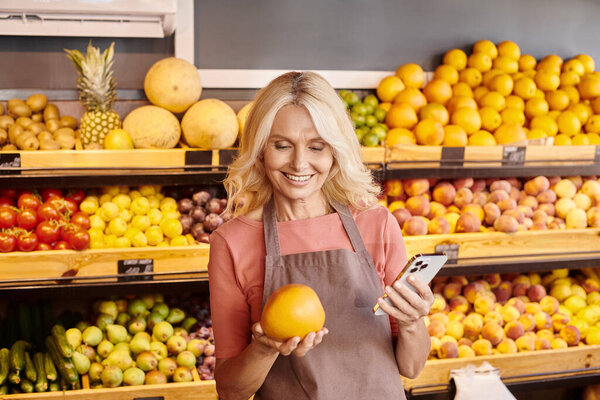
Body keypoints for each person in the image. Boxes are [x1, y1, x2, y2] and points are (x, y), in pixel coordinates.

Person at [208, 71, 433, 400]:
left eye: (317, 147)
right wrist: (265, 348)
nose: (300, 163)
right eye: (282, 146)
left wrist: (413, 322)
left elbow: (411, 367)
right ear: (260, 150)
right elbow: (230, 391)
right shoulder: (232, 242)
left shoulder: (376, 223)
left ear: (334, 152)